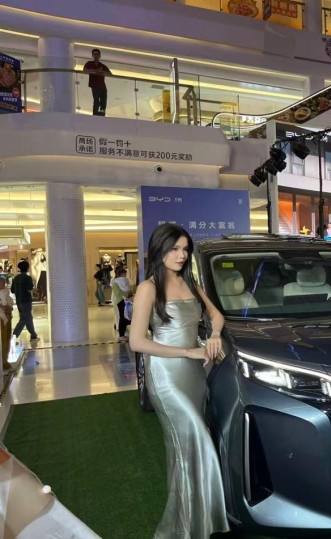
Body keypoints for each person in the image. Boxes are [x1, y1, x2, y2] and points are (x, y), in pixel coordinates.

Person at [128, 224, 229, 538]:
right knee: (195, 441)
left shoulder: (191, 283)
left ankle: (195, 524)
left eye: (185, 249)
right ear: (159, 249)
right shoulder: (148, 288)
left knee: (187, 450)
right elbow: (136, 342)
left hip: (195, 375)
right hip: (166, 376)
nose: (181, 255)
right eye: (174, 248)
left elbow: (217, 316)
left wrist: (214, 335)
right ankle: (186, 528)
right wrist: (188, 351)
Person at [11, 260, 38, 342]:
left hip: (18, 301)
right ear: (27, 268)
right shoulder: (28, 278)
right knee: (24, 319)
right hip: (26, 301)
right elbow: (29, 289)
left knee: (28, 317)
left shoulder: (15, 278)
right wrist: (34, 290)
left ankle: (33, 335)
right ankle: (14, 336)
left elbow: (12, 290)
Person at [83, 48, 112, 116]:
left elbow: (110, 74)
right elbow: (84, 70)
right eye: (94, 54)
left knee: (103, 102)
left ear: (99, 56)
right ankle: (95, 115)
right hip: (95, 86)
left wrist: (101, 72)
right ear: (92, 55)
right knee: (96, 102)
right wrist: (95, 71)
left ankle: (102, 115)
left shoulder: (102, 65)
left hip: (103, 86)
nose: (95, 56)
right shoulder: (89, 63)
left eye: (97, 54)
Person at [110, 267, 132, 341]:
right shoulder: (117, 282)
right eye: (125, 273)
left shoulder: (114, 282)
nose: (125, 275)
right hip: (122, 301)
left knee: (123, 316)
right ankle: (121, 335)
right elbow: (120, 293)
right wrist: (128, 295)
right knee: (123, 316)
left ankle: (122, 334)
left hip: (121, 300)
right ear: (121, 273)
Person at [0, 276, 14, 372]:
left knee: (6, 339)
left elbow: (10, 304)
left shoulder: (6, 292)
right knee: (2, 341)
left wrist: (8, 308)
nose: (2, 284)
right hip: (1, 319)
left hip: (7, 318)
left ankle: (5, 361)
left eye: (3, 282)